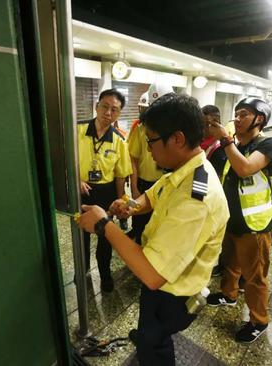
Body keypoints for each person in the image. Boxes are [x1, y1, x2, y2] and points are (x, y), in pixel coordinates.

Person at [77, 93, 229, 365]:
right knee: (148, 332)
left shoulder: (196, 200)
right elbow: (155, 195)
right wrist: (131, 205)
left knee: (155, 345)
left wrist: (104, 225)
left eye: (151, 140)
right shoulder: (186, 169)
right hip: (163, 283)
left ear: (177, 139)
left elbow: (152, 275)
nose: (147, 149)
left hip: (173, 294)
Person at [205, 98, 272, 343]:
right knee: (230, 263)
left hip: (255, 224)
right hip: (232, 220)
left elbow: (246, 168)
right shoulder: (234, 145)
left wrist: (224, 139)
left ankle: (260, 320)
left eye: (243, 114)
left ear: (259, 119)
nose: (237, 118)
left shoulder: (268, 144)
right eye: (235, 114)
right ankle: (229, 294)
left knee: (255, 276)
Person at [77, 89, 133, 292]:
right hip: (82, 189)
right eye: (105, 106)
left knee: (105, 236)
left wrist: (120, 201)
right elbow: (64, 160)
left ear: (119, 114)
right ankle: (81, 272)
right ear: (96, 106)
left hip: (106, 192)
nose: (108, 112)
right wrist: (76, 180)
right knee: (81, 233)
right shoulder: (78, 130)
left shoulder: (119, 140)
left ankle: (105, 274)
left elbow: (120, 175)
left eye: (114, 110)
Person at [127, 83, 174, 244]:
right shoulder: (140, 127)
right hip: (145, 184)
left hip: (169, 182)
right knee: (140, 226)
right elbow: (133, 158)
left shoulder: (177, 131)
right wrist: (134, 188)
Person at [200, 105, 227, 178]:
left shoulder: (220, 148)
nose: (202, 128)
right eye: (200, 124)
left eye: (206, 125)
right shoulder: (198, 141)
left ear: (217, 124)